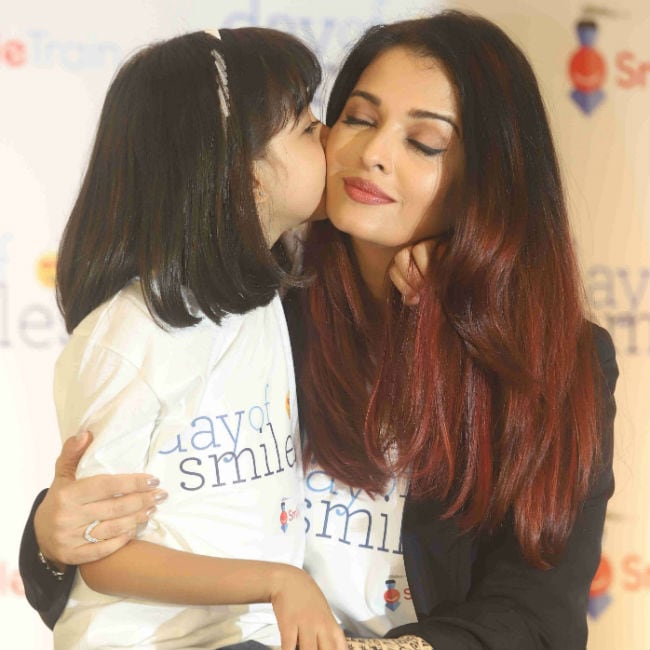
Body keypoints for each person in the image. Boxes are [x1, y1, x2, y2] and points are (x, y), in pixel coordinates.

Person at [20, 11, 618, 650]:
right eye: (357, 118)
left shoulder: (552, 357)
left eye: (424, 142)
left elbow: (538, 616)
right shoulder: (260, 311)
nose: (373, 154)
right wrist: (54, 539)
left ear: (491, 178)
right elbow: (130, 538)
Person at [27, 26, 349, 650]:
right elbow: (100, 551)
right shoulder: (130, 334)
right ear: (242, 172)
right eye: (308, 128)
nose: (331, 139)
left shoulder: (262, 297)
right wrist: (278, 582)